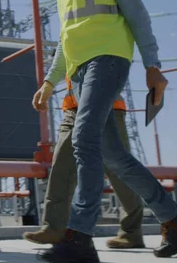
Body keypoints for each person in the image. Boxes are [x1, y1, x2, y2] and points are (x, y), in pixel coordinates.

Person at [33, 0, 177, 263]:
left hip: (108, 61)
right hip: (80, 73)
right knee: (115, 158)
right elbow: (64, 42)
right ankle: (172, 218)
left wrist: (152, 66)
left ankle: (80, 235)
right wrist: (48, 83)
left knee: (84, 139)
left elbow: (137, 14)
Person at [23, 76, 145, 249]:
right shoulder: (66, 48)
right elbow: (62, 59)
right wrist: (48, 83)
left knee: (119, 171)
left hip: (105, 106)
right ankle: (54, 228)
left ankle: (132, 232)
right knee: (61, 168)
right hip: (72, 108)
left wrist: (151, 68)